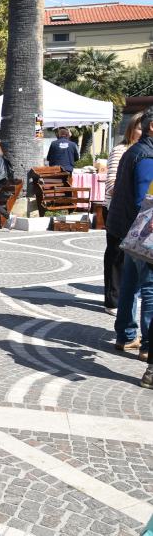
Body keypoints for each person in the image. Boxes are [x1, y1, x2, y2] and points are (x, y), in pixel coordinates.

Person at [109, 107, 153, 374]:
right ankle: (147, 344)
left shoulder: (134, 151)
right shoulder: (147, 155)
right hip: (142, 235)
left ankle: (125, 336)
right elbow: (144, 202)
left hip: (128, 231)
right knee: (148, 289)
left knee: (130, 284)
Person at [103, 112, 144, 314]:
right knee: (116, 255)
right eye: (139, 127)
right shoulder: (121, 150)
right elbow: (111, 184)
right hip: (117, 209)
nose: (142, 131)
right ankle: (113, 299)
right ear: (131, 129)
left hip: (137, 211)